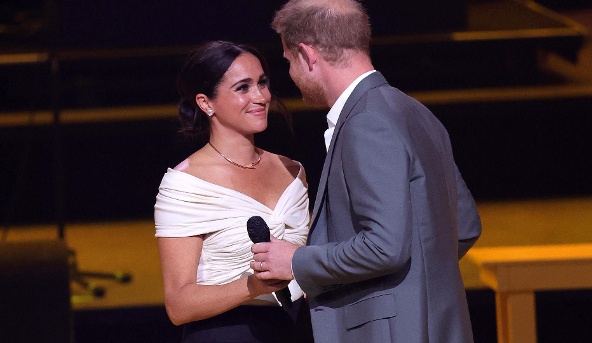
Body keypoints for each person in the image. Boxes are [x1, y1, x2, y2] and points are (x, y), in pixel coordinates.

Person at [250, 1, 483, 342]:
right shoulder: (415, 111)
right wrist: (417, 290)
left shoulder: (365, 123)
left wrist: (297, 261)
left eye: (288, 62)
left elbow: (386, 246)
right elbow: (464, 226)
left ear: (308, 54)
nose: (291, 75)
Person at [154, 40, 313, 343]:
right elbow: (178, 304)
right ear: (205, 103)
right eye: (243, 88)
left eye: (262, 83)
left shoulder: (292, 170)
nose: (260, 96)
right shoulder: (185, 184)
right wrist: (253, 285)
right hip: (227, 333)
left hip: (300, 329)